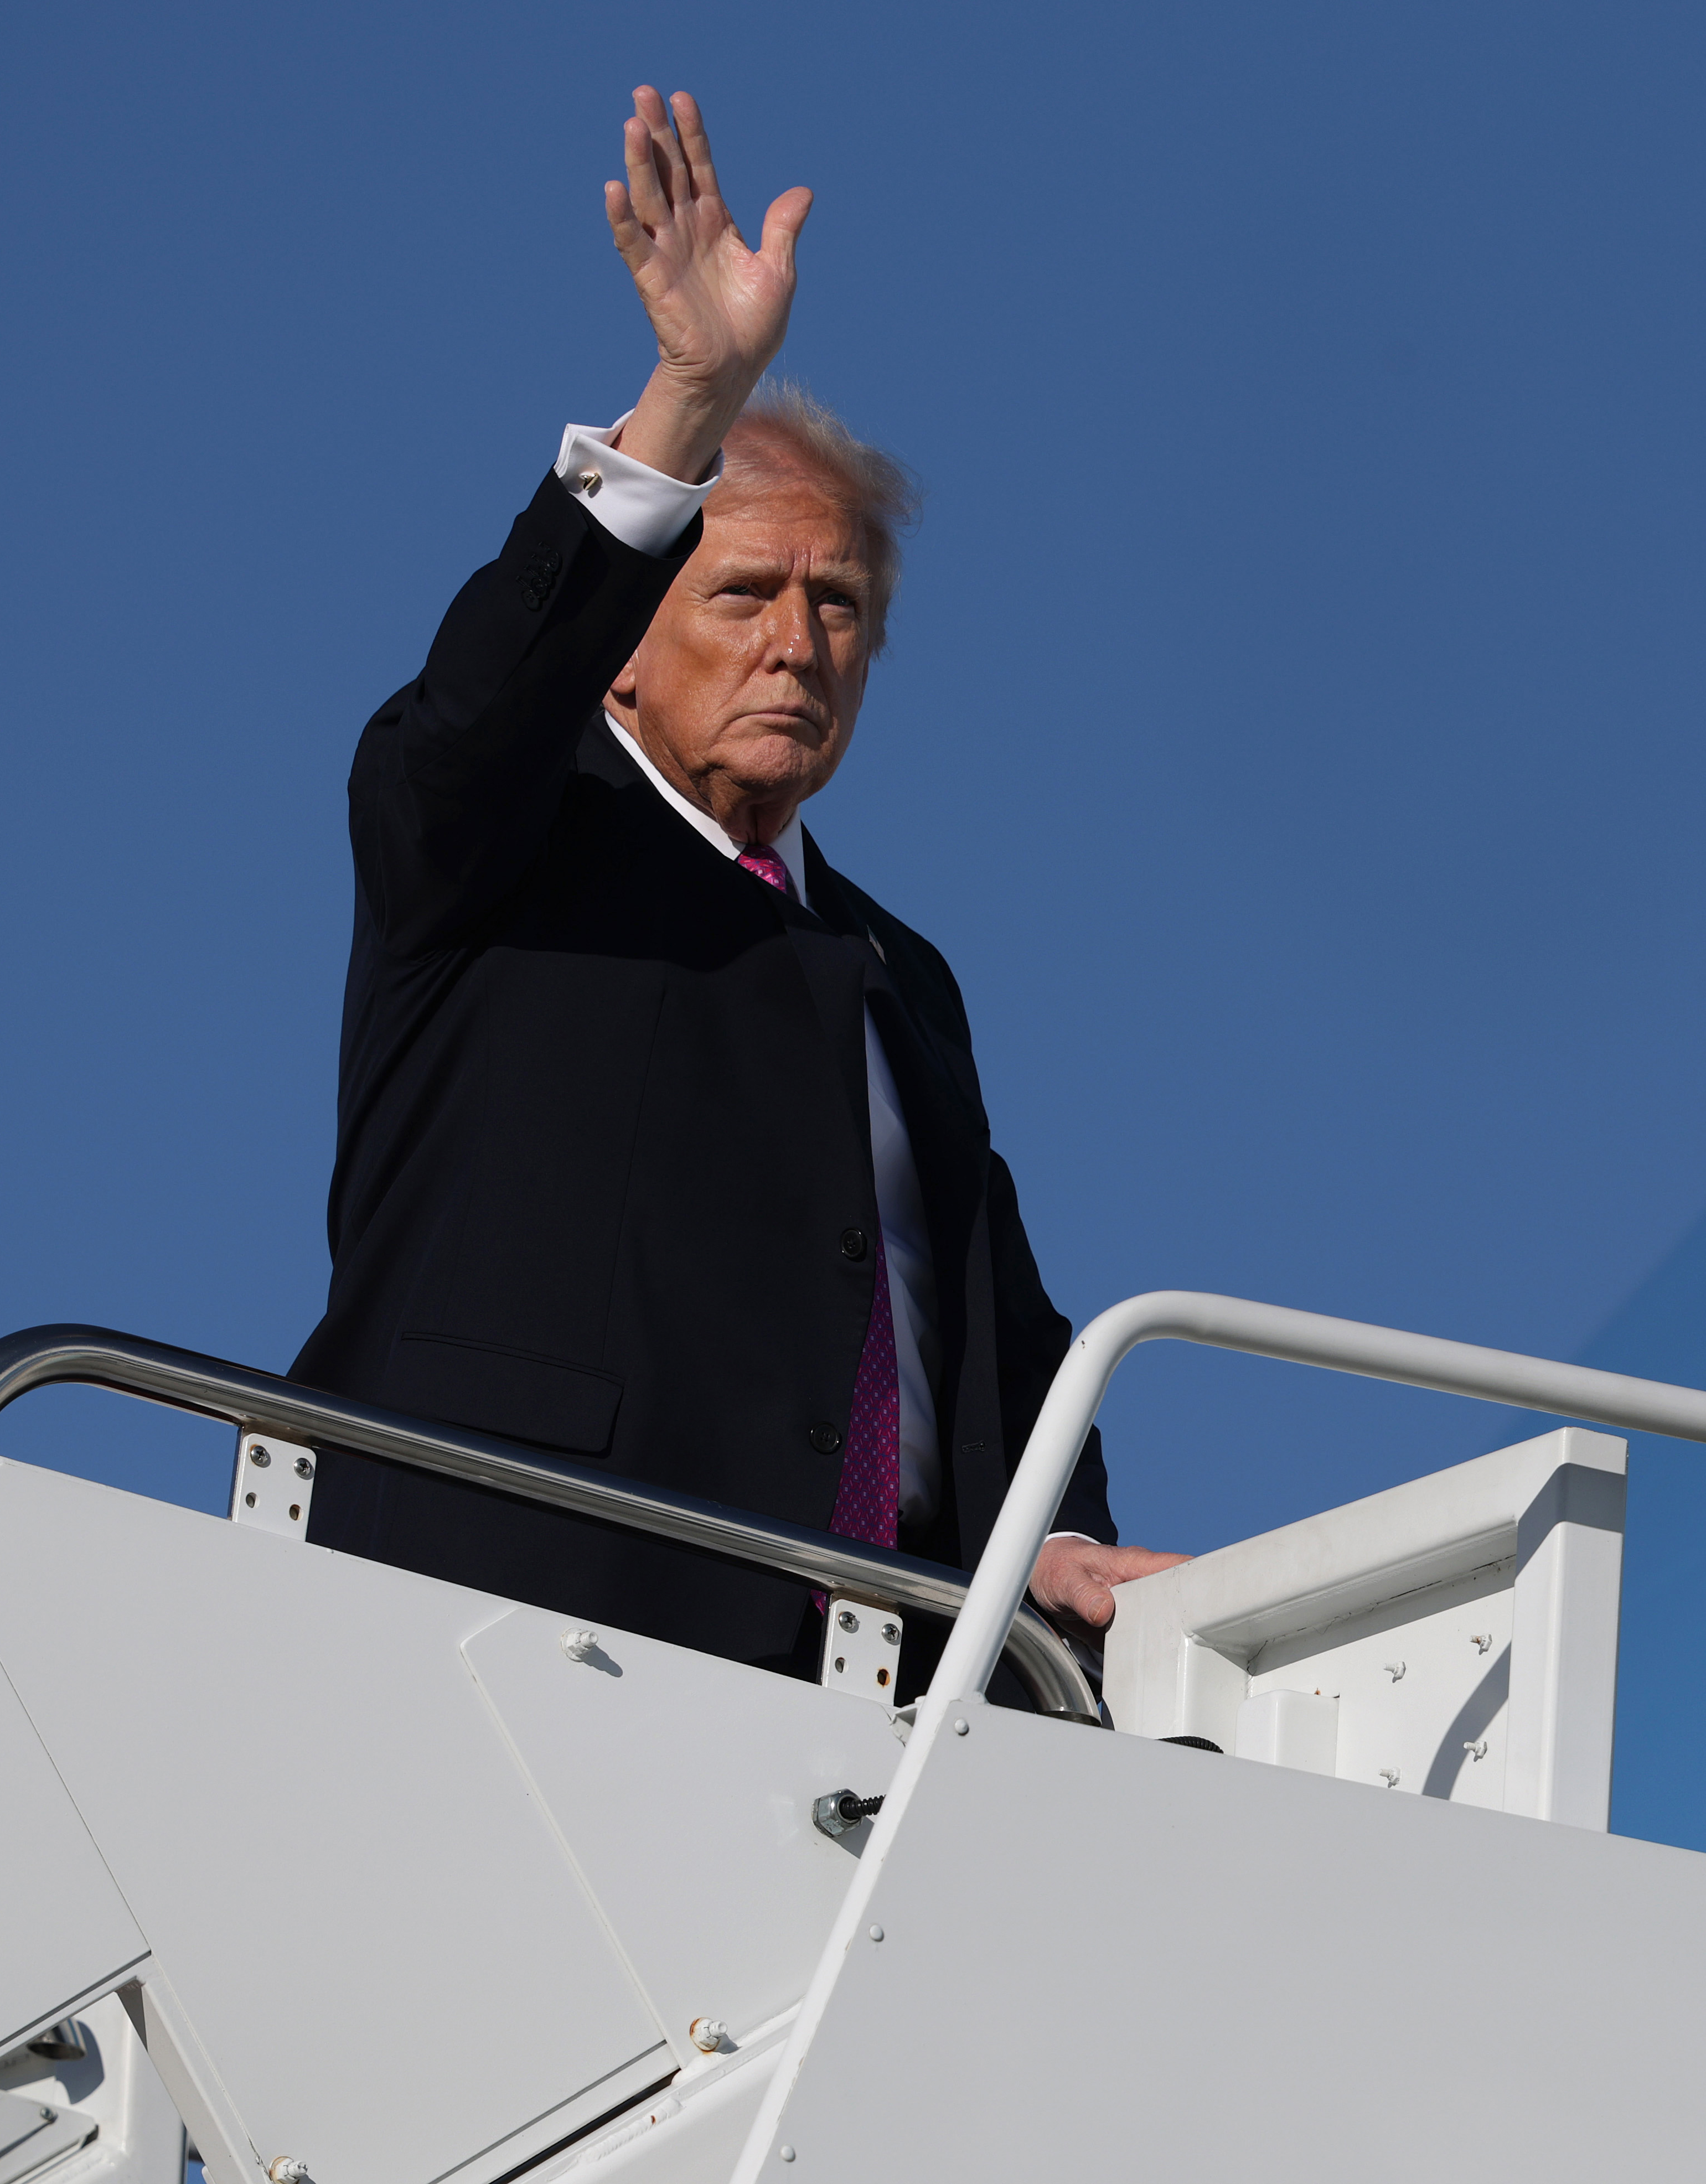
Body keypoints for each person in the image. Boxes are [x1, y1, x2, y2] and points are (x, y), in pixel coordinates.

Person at [294, 85, 1182, 1680]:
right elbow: (479, 710)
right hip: (512, 1623)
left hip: (864, 1692)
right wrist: (688, 404)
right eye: (747, 592)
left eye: (838, 604)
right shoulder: (494, 835)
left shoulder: (897, 974)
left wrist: (1039, 1535)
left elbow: (989, 1330)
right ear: (622, 647)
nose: (798, 640)